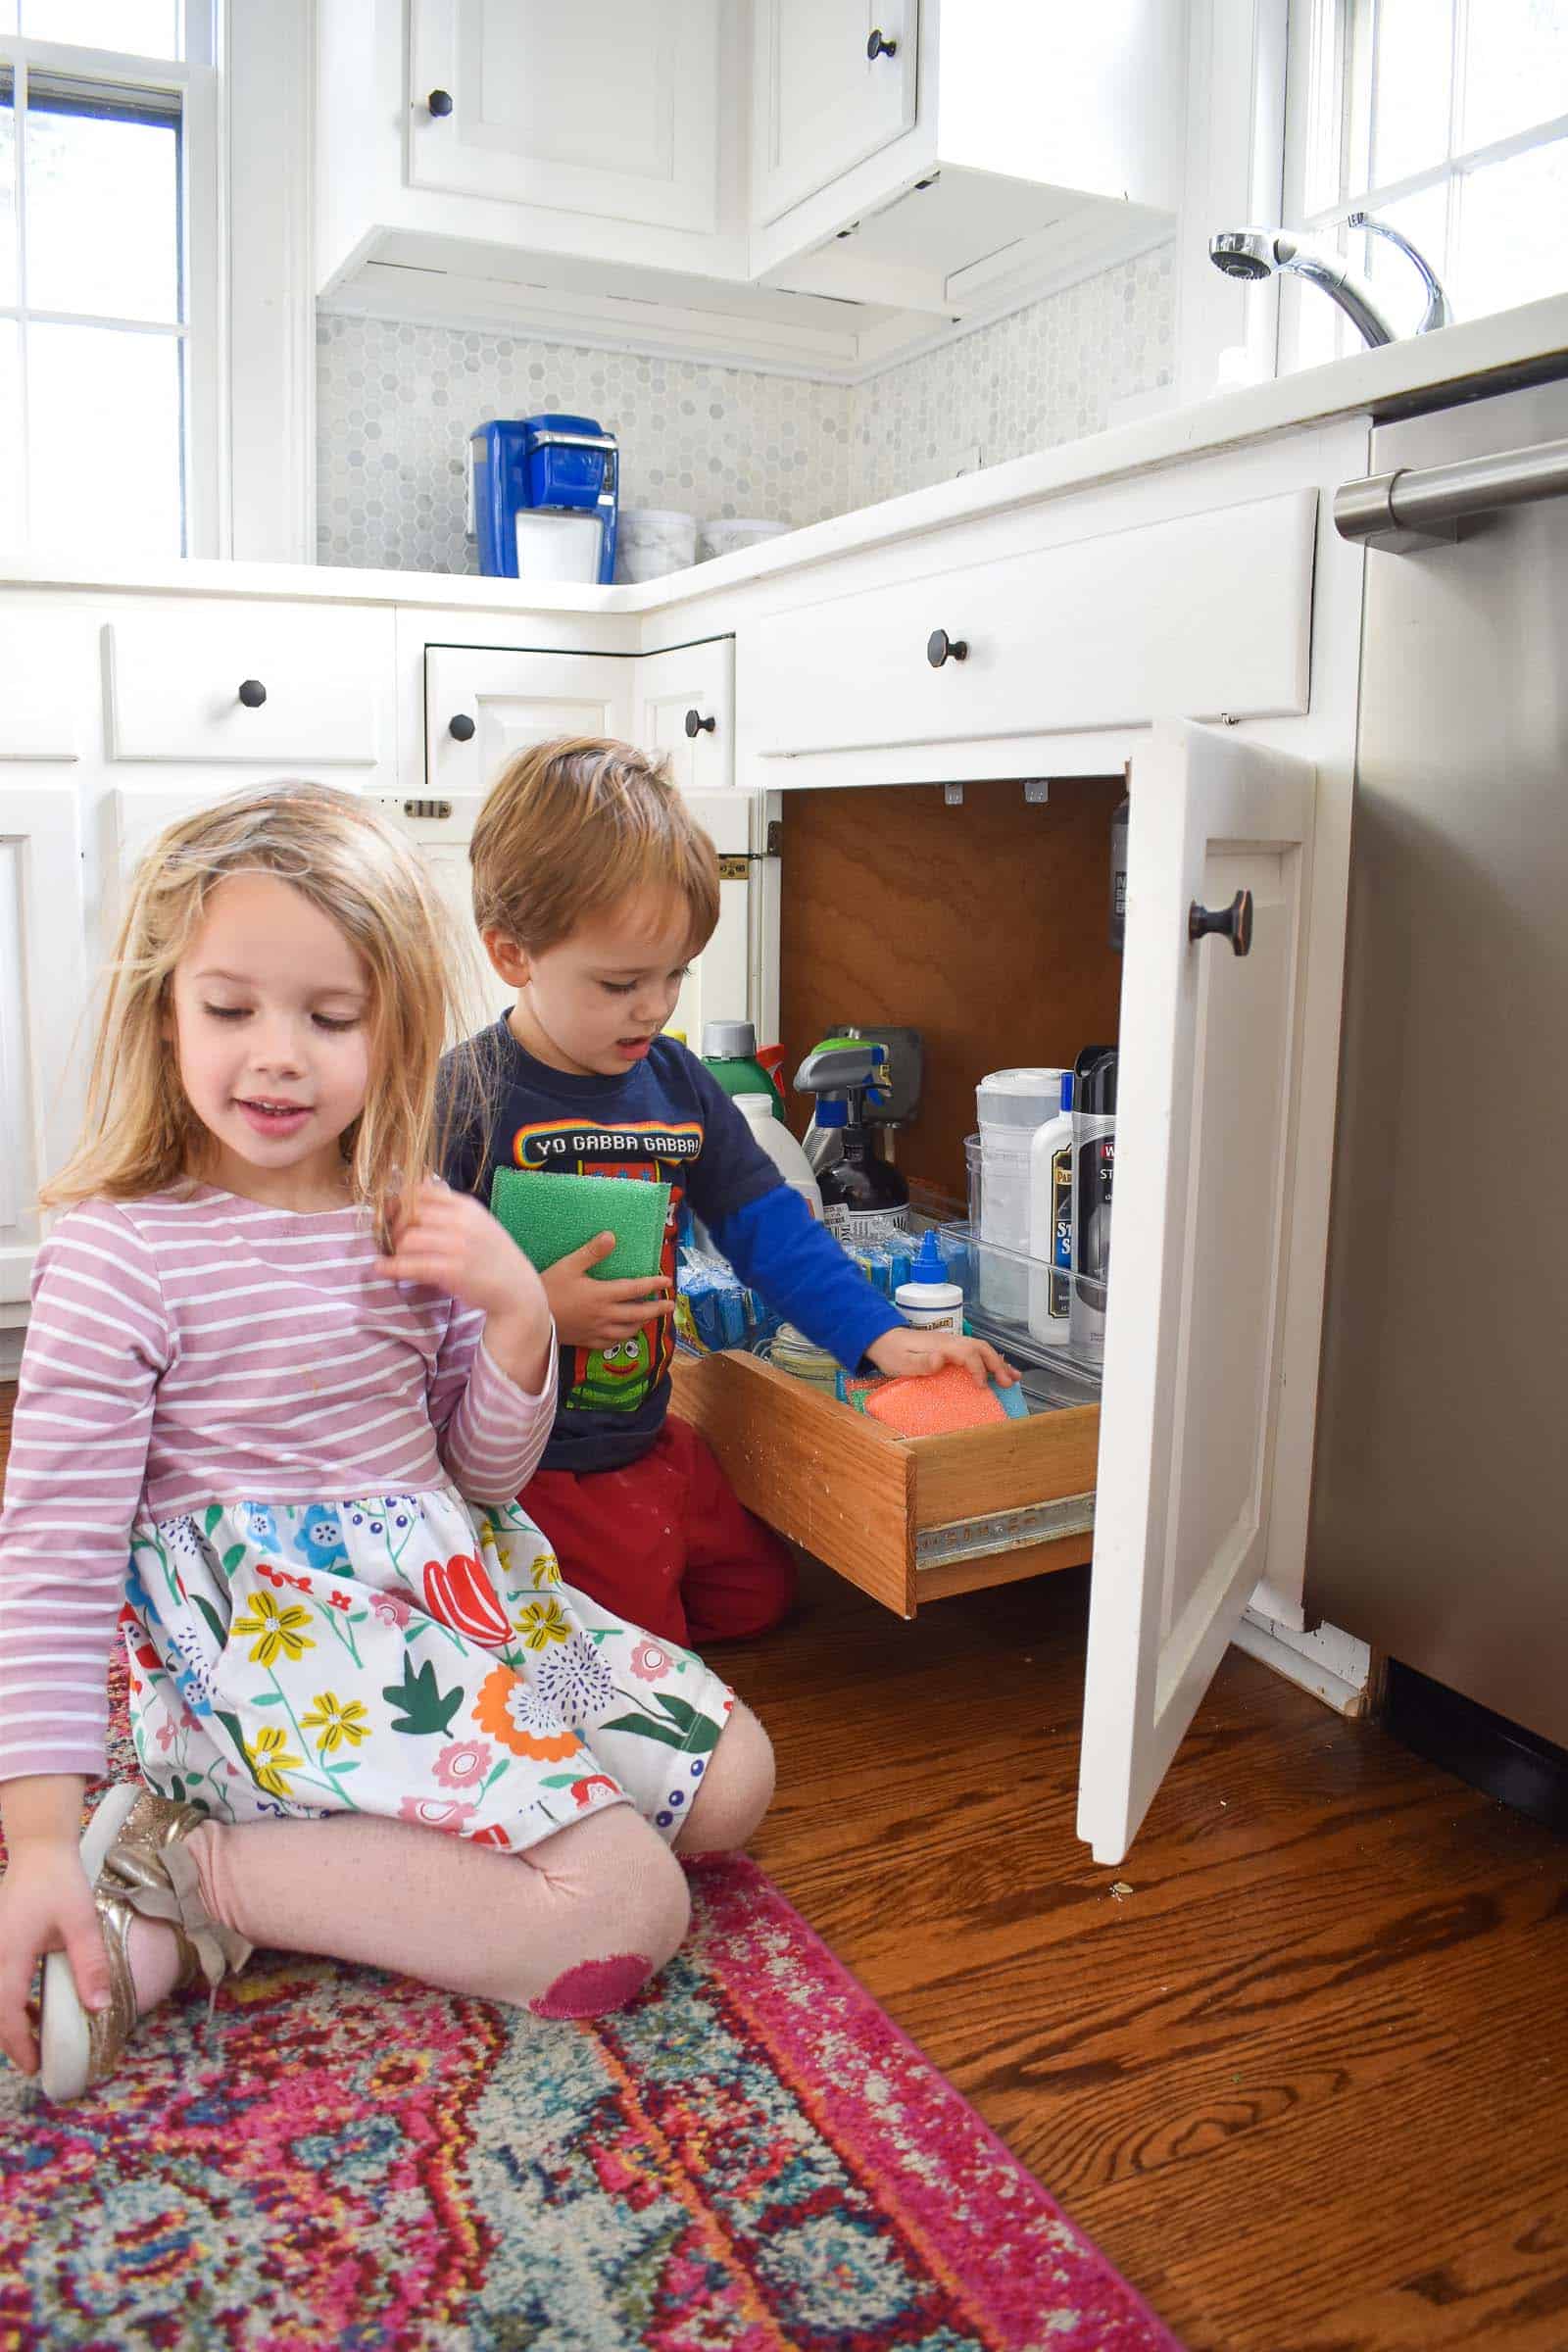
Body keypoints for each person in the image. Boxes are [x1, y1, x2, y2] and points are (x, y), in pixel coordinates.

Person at [0, 781, 773, 2106]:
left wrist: (519, 1319)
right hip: (292, 1661)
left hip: (471, 1610)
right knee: (620, 1911)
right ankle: (197, 1866)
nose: (279, 1055)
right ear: (164, 1012)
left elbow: (477, 1477)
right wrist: (37, 1843)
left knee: (729, 1784)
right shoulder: (119, 1254)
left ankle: (326, 1840)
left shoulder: (410, 1216)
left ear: (394, 1025)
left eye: (331, 1016)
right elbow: (53, 1559)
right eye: (229, 1009)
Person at [441, 736, 1012, 1649]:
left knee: (758, 1598)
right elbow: (393, 1297)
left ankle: (548, 1627)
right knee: (645, 1654)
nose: (653, 1007)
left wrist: (881, 1335)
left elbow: (766, 1227)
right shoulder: (466, 1096)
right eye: (621, 982)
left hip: (650, 1426)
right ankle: (517, 1625)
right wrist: (529, 1311)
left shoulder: (675, 1079)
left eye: (675, 974)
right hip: (534, 1464)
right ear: (514, 954)